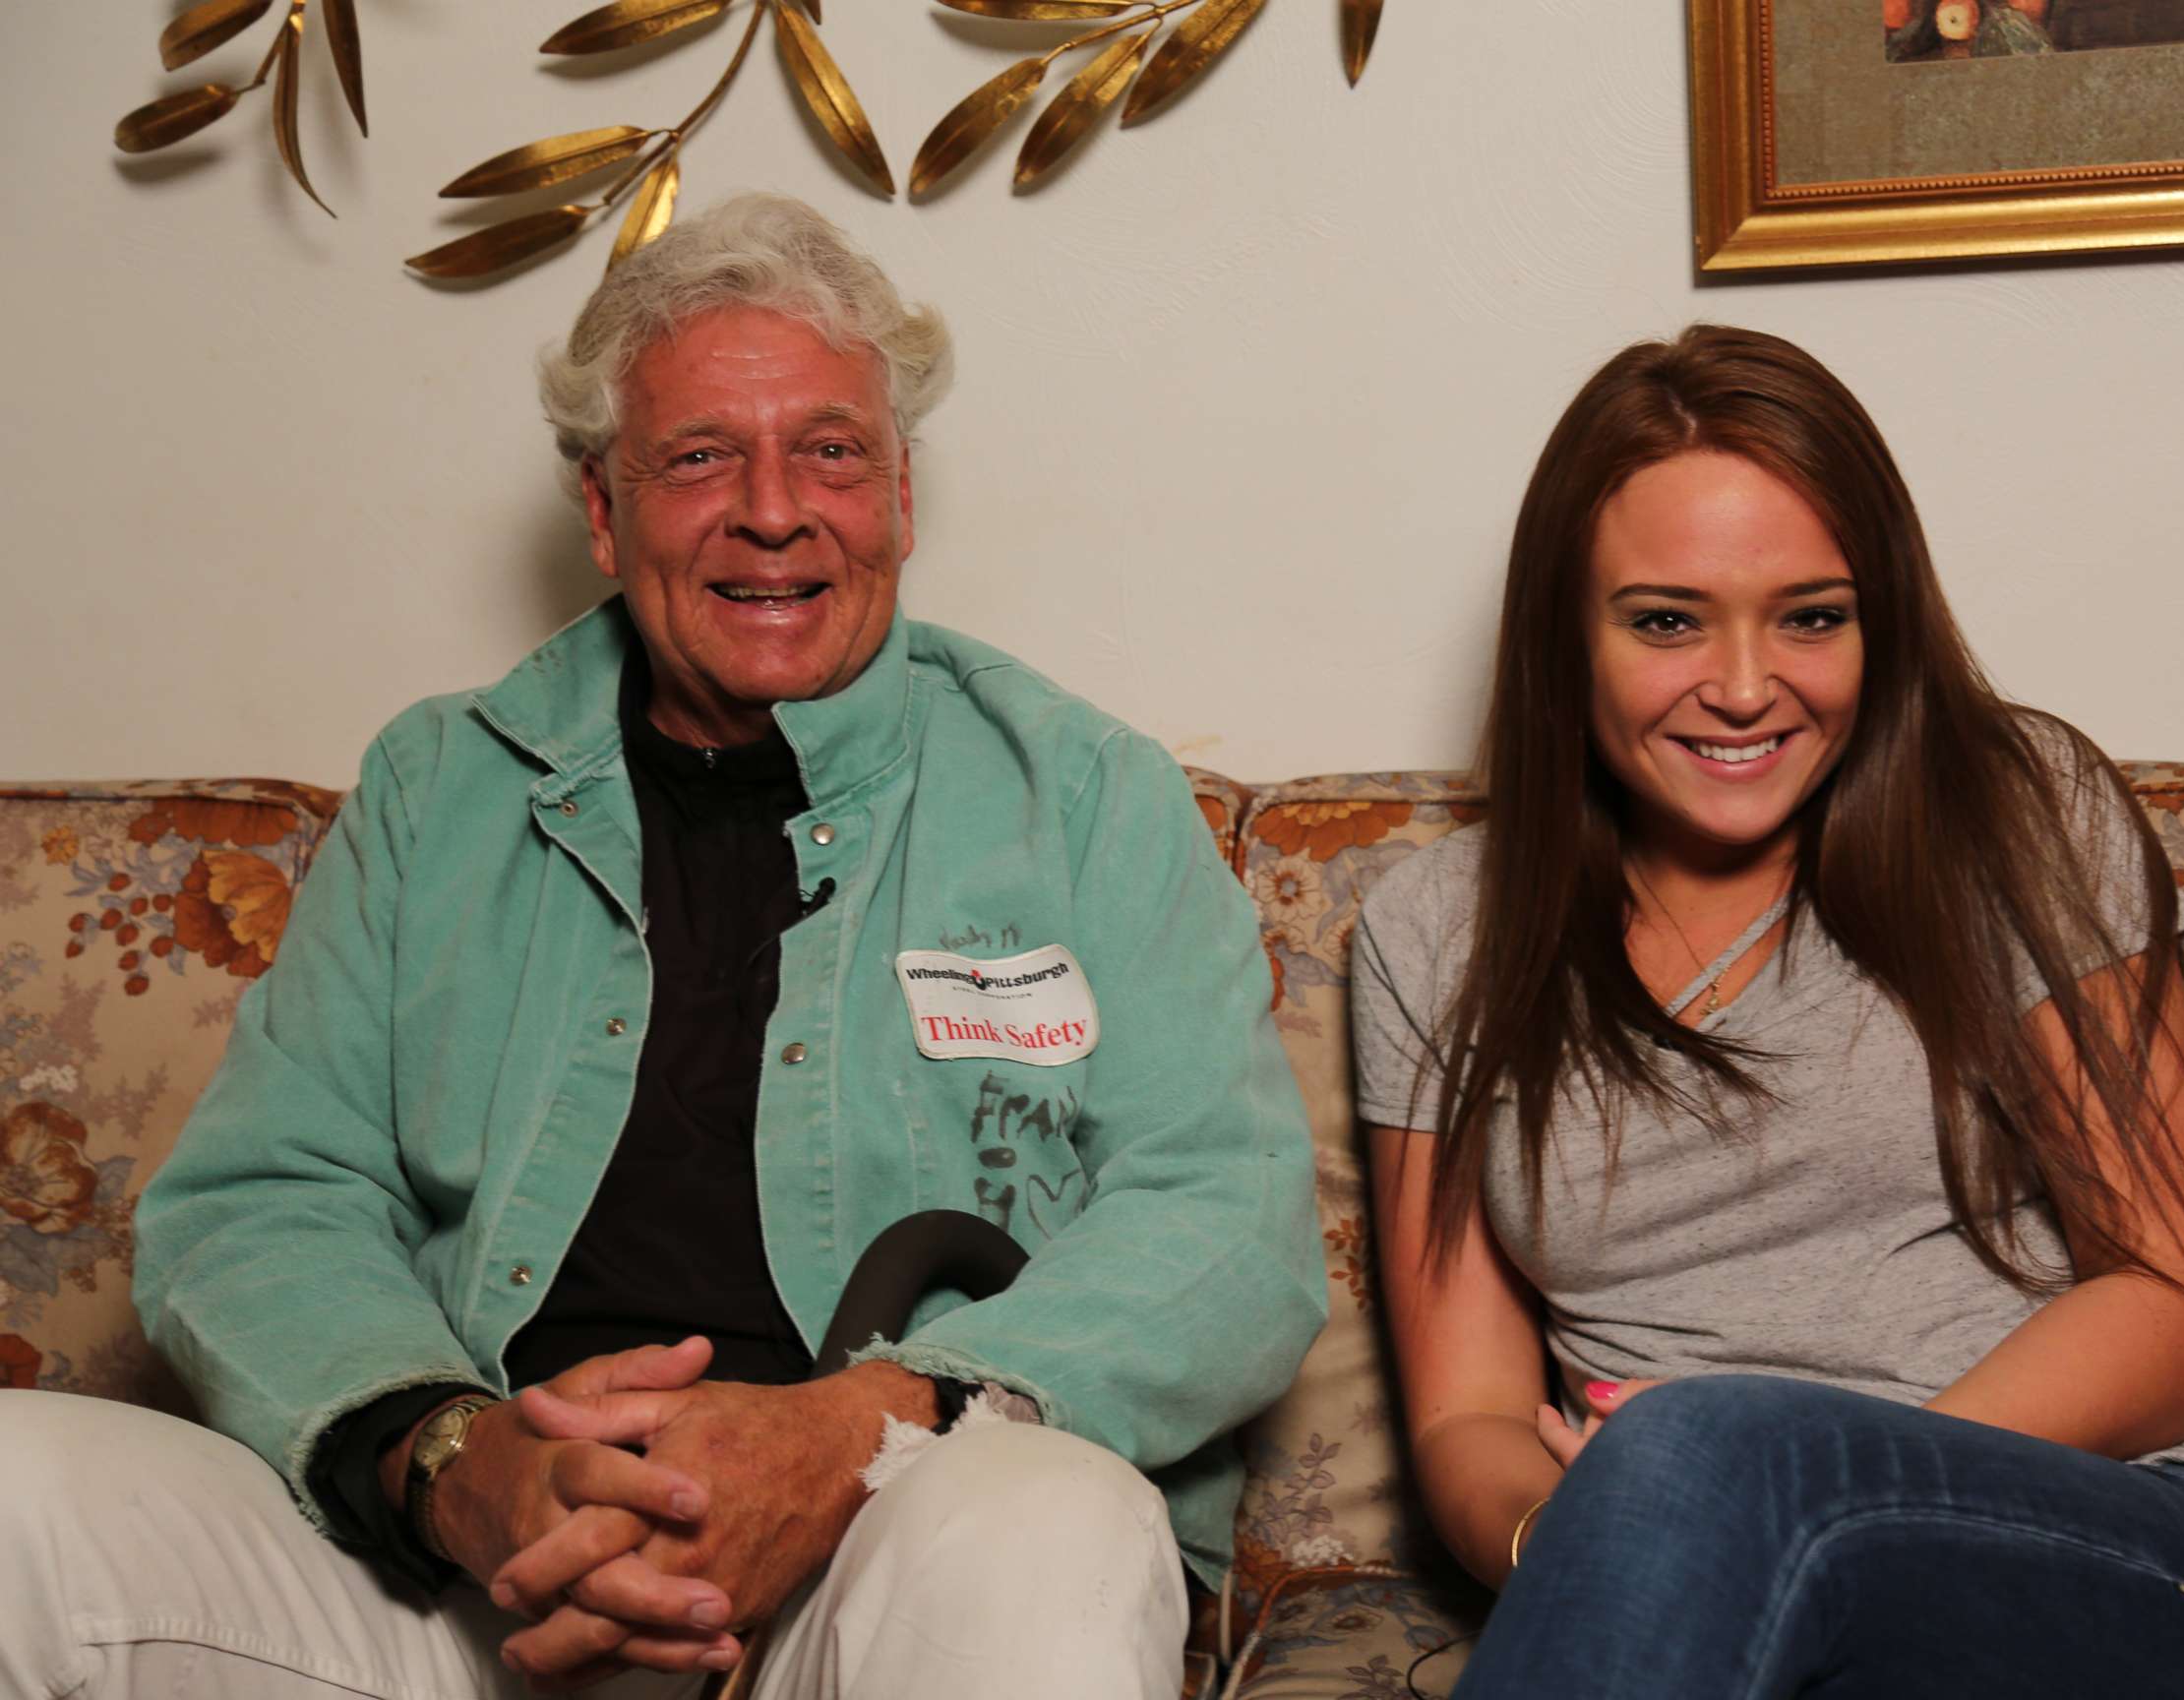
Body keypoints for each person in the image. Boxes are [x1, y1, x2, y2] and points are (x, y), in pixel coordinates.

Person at [0, 193, 1323, 1700]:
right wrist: (452, 1461)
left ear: (902, 490)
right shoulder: (441, 787)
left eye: (832, 450)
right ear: (601, 508)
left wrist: (858, 1428)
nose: (776, 510)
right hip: (468, 1583)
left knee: (1048, 1523)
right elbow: (258, 1200)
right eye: (700, 457)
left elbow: (1231, 1220)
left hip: (880, 1559)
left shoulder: (1082, 797)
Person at [1349, 326, 2184, 1696]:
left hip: (2111, 1554)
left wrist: (1811, 1496)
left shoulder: (2016, 817)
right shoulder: (1435, 931)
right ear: (1562, 636)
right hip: (1685, 1581)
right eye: (1665, 620)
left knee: (1708, 1450)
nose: (1748, 686)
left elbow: (2173, 1308)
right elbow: (1466, 1411)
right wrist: (1563, 1531)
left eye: (1812, 616)